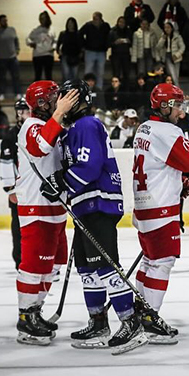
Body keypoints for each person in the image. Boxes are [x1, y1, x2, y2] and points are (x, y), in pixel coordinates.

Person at [40, 80, 147, 354]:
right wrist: (58, 182)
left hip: (98, 202)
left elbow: (89, 165)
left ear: (81, 100)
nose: (62, 102)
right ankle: (98, 322)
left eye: (68, 97)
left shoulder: (87, 124)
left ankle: (130, 321)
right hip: (84, 207)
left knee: (106, 266)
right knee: (87, 269)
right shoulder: (72, 129)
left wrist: (61, 181)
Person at [132, 83, 189, 343]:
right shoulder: (166, 130)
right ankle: (149, 319)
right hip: (160, 208)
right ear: (163, 106)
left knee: (150, 261)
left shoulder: (145, 128)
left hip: (145, 206)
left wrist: (178, 182)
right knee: (162, 262)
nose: (181, 113)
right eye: (177, 106)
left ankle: (139, 313)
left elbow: (157, 165)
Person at [13, 81, 75, 345]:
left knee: (52, 264)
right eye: (53, 98)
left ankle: (35, 310)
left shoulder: (53, 125)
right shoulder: (30, 126)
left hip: (54, 206)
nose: (58, 100)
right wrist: (60, 114)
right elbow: (39, 147)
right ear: (41, 103)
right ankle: (26, 318)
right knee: (33, 265)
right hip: (36, 205)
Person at [0, 99, 29, 269]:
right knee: (19, 228)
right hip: (20, 191)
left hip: (37, 190)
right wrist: (11, 189)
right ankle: (21, 262)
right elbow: (5, 163)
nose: (26, 113)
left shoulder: (38, 129)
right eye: (23, 110)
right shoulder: (11, 135)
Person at [0, 14, 21, 100]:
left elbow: (16, 41)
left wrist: (17, 50)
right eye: (3, 21)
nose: (5, 22)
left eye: (6, 20)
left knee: (15, 76)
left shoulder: (12, 30)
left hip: (12, 57)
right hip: (1, 59)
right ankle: (2, 93)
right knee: (2, 77)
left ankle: (17, 93)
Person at [79, 12, 111, 91]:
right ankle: (87, 89)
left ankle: (98, 90)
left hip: (101, 51)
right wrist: (84, 45)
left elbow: (109, 36)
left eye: (96, 18)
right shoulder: (88, 25)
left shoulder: (105, 26)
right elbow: (80, 33)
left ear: (100, 19)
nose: (94, 20)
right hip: (90, 50)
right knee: (88, 72)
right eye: (93, 18)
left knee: (100, 72)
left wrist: (106, 46)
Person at [26, 11, 55, 82]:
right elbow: (28, 39)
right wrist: (31, 43)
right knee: (37, 76)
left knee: (48, 76)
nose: (42, 20)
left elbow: (55, 41)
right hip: (38, 55)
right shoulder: (36, 30)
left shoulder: (51, 29)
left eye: (44, 18)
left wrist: (53, 47)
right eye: (41, 19)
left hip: (48, 54)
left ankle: (50, 92)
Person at [156, 22, 185, 87]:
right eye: (165, 28)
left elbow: (183, 47)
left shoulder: (177, 36)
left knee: (176, 76)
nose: (167, 29)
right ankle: (178, 91)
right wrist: (163, 38)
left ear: (172, 28)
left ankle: (176, 91)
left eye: (168, 27)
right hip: (167, 56)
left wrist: (177, 55)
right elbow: (158, 47)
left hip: (176, 57)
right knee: (172, 75)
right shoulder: (163, 36)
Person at [108, 16, 132, 88]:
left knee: (126, 74)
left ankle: (126, 90)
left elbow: (133, 43)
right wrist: (115, 43)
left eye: (123, 22)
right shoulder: (112, 31)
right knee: (116, 74)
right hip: (116, 55)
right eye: (120, 22)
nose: (122, 24)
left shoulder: (128, 31)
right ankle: (116, 89)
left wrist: (128, 41)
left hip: (126, 55)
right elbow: (108, 44)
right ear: (117, 22)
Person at [56, 17, 82, 82]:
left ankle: (74, 89)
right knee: (66, 75)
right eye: (69, 23)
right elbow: (58, 44)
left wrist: (81, 53)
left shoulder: (78, 34)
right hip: (65, 55)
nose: (70, 25)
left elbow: (82, 44)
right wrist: (58, 51)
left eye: (72, 23)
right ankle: (66, 90)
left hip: (75, 56)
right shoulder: (63, 33)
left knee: (75, 75)